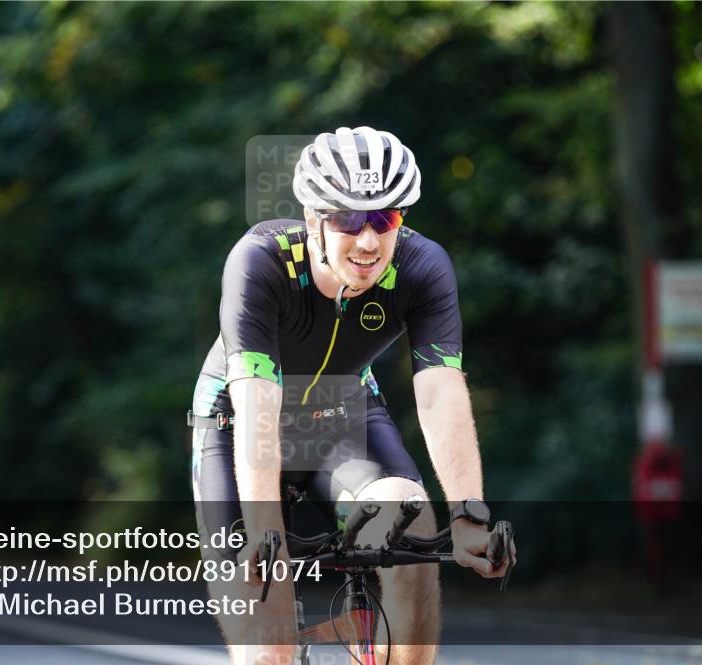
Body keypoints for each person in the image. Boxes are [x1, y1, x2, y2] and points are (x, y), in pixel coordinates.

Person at [189, 126, 513, 665]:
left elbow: (439, 391)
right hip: (235, 424)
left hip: (340, 415)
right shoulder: (260, 261)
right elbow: (256, 403)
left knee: (412, 515)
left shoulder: (421, 266)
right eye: (348, 219)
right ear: (313, 217)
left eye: (385, 219)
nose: (367, 241)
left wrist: (469, 515)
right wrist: (265, 528)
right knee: (267, 649)